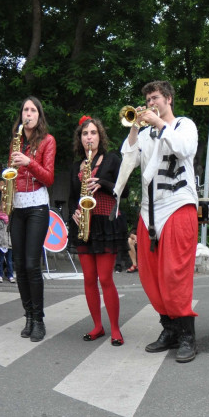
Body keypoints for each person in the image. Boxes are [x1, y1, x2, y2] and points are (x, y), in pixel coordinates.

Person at [120, 81, 200, 363]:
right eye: (147, 99)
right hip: (148, 211)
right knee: (150, 275)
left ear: (168, 99)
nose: (151, 103)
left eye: (155, 98)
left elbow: (184, 150)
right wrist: (134, 127)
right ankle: (169, 329)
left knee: (175, 274)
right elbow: (128, 159)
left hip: (178, 205)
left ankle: (188, 335)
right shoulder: (145, 133)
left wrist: (159, 123)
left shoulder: (183, 124)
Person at [69, 115, 128, 346]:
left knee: (105, 278)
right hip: (84, 223)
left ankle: (115, 328)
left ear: (99, 135)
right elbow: (73, 197)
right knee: (89, 279)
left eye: (93, 133)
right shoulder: (77, 166)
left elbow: (124, 189)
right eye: (85, 134)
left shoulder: (112, 159)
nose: (89, 137)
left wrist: (101, 182)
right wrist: (73, 212)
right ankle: (97, 326)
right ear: (80, 138)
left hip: (106, 222)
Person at [9, 97, 56, 343]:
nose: (28, 113)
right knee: (18, 266)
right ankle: (28, 316)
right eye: (25, 109)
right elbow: (10, 175)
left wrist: (29, 162)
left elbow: (48, 178)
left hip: (37, 206)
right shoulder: (16, 140)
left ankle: (38, 319)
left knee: (31, 264)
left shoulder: (48, 141)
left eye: (33, 110)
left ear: (39, 115)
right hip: (16, 206)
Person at [0, 206, 14, 283]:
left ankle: (10, 275)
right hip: (1, 242)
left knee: (9, 261)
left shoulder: (11, 218)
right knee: (0, 260)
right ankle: (0, 275)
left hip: (9, 242)